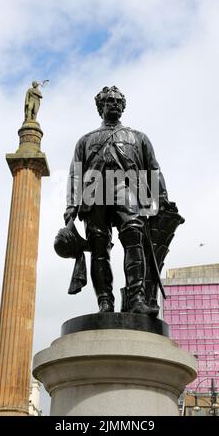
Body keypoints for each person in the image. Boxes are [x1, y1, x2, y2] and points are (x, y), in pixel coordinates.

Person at [64, 86, 170, 315]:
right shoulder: (85, 140)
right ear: (100, 107)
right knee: (99, 247)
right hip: (94, 189)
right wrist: (72, 204)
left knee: (134, 237)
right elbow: (76, 172)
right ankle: (105, 301)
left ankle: (136, 298)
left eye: (117, 101)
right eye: (108, 101)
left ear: (123, 106)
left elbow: (154, 169)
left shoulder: (139, 137)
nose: (113, 103)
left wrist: (162, 199)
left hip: (129, 186)